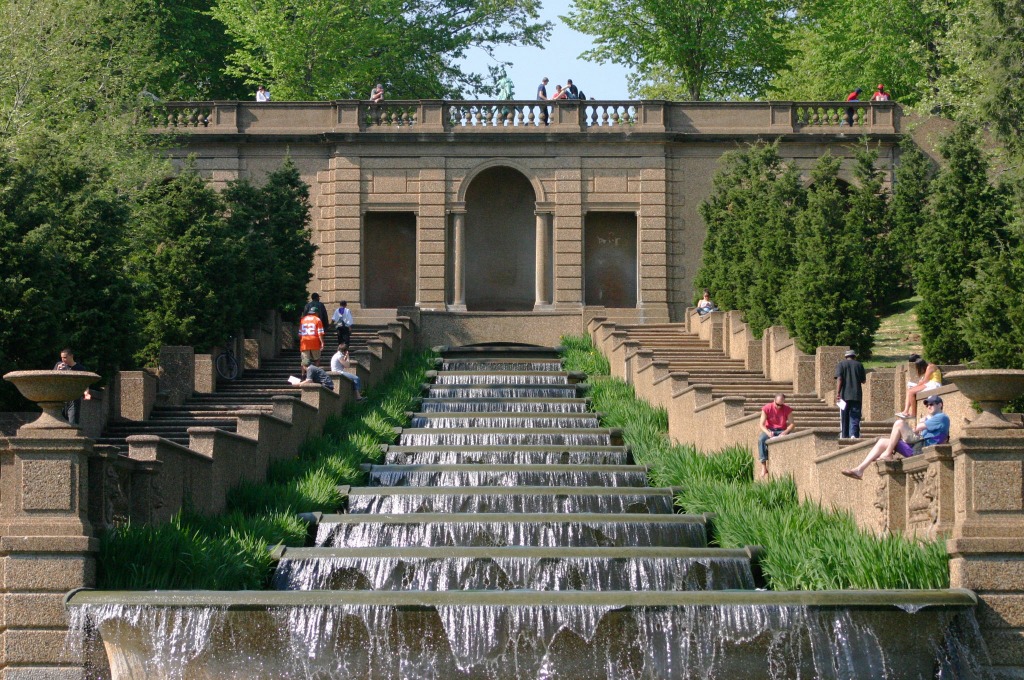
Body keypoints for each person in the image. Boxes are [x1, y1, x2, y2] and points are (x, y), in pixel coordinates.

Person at [842, 395, 949, 480]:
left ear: (940, 405)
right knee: (882, 441)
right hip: (918, 447)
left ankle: (888, 453)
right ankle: (860, 470)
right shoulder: (933, 418)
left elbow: (919, 428)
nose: (929, 406)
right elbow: (917, 430)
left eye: (932, 404)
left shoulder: (942, 417)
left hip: (923, 448)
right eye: (927, 405)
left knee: (899, 423)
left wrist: (923, 421)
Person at [757, 393, 794, 478]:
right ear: (774, 401)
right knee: (761, 439)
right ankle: (763, 467)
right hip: (770, 430)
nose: (779, 407)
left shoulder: (787, 409)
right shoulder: (767, 408)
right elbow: (761, 424)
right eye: (777, 404)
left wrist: (786, 431)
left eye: (781, 405)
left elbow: (792, 424)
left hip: (782, 430)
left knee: (793, 437)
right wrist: (768, 433)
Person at [897, 353, 942, 419]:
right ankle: (905, 411)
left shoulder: (930, 367)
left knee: (911, 392)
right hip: (930, 384)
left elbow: (925, 381)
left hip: (934, 384)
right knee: (910, 390)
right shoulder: (928, 367)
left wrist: (916, 386)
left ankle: (913, 414)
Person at [54, 348, 91, 426]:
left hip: (74, 398)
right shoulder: (58, 365)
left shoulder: (80, 368)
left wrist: (86, 393)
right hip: (61, 398)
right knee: (60, 424)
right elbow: (53, 380)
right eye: (61, 358)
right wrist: (57, 371)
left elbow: (85, 383)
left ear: (71, 356)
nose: (63, 359)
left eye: (65, 357)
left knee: (72, 423)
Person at [835, 349, 867, 439]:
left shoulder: (841, 364)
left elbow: (839, 379)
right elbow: (863, 381)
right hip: (856, 395)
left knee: (844, 416)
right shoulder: (859, 365)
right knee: (855, 415)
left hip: (844, 395)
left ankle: (844, 435)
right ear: (854, 356)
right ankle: (853, 434)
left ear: (846, 357)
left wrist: (838, 393)